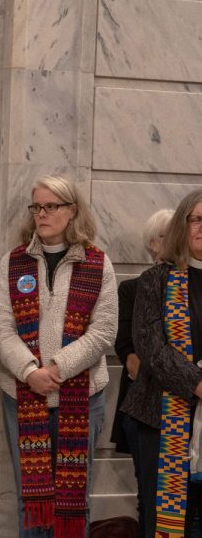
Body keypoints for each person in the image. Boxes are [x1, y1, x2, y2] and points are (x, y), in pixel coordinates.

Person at [0, 175, 116, 538]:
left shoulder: (97, 263)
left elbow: (104, 330)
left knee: (74, 500)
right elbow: (0, 326)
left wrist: (58, 367)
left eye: (51, 206)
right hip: (23, 396)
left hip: (82, 397)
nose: (41, 214)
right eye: (36, 206)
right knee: (31, 501)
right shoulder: (13, 263)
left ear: (71, 210)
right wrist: (30, 372)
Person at [122, 189, 202, 536]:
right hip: (161, 414)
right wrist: (197, 382)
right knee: (166, 521)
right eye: (196, 218)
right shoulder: (157, 280)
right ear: (182, 225)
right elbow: (150, 346)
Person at [110, 209, 173, 536]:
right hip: (144, 406)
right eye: (166, 236)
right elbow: (128, 353)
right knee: (150, 497)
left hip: (185, 405)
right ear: (153, 243)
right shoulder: (133, 289)